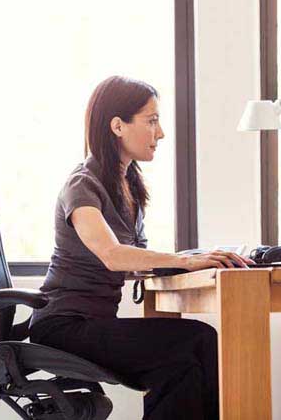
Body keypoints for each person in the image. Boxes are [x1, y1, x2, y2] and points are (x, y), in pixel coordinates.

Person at [29, 75, 253, 420]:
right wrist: (184, 261)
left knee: (184, 367)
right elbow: (112, 254)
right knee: (197, 342)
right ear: (117, 126)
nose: (160, 133)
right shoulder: (82, 184)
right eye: (151, 121)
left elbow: (134, 261)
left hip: (91, 322)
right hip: (64, 325)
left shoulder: (127, 186)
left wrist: (197, 259)